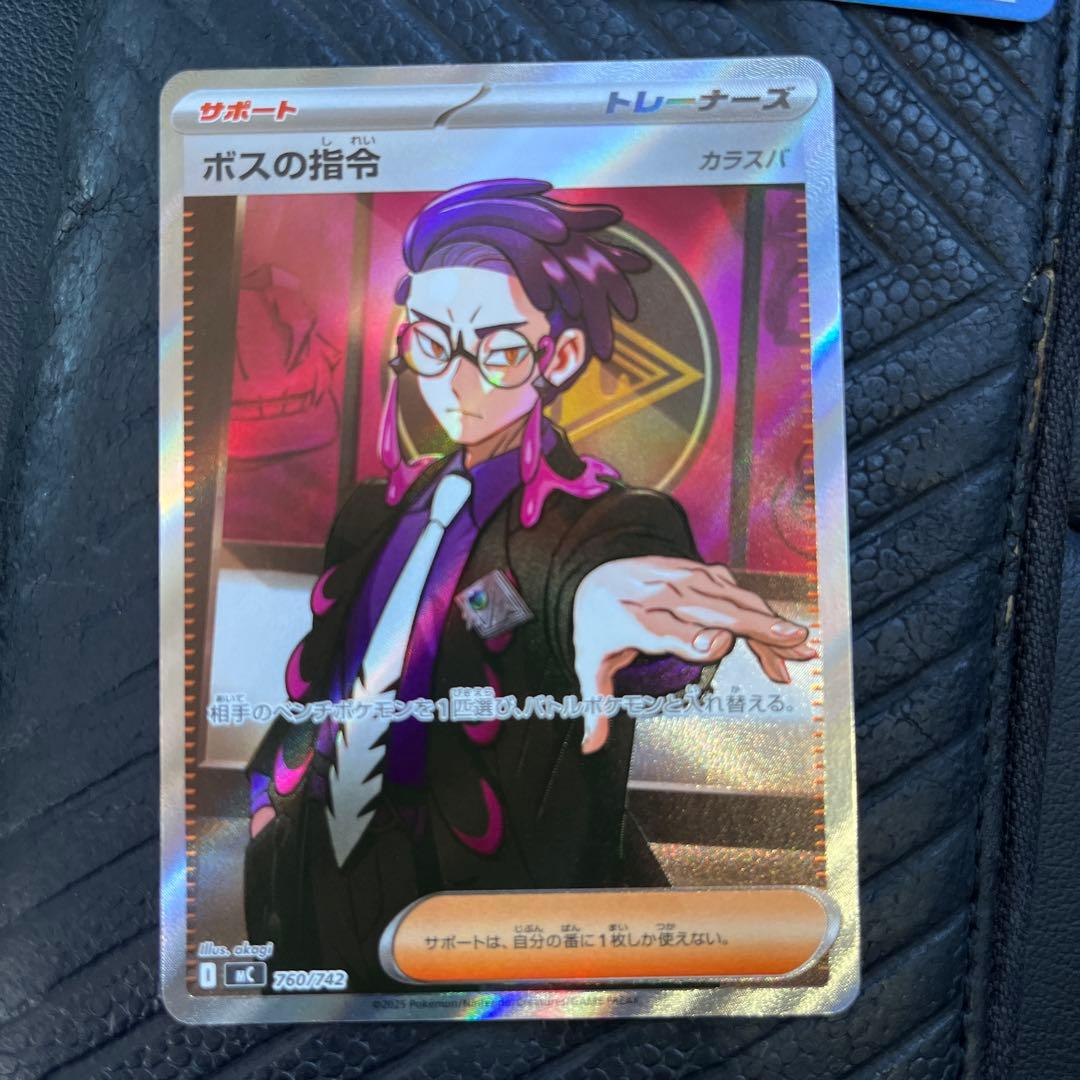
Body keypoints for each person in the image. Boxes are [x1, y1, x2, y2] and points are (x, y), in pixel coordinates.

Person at [243, 179, 814, 988]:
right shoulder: (372, 513)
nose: (458, 381)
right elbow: (329, 679)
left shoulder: (604, 521)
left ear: (562, 358)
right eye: (432, 343)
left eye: (500, 350)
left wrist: (610, 613)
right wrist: (268, 802)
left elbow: (594, 586)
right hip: (319, 895)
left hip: (495, 924)